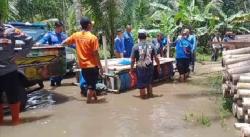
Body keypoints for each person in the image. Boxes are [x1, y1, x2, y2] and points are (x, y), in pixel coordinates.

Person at [62, 16, 103, 103]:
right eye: (91, 24)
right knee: (91, 87)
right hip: (92, 66)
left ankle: (95, 99)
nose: (92, 26)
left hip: (83, 67)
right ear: (88, 25)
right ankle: (89, 104)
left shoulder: (76, 35)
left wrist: (57, 47)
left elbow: (65, 42)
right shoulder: (93, 38)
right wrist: (100, 67)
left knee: (91, 85)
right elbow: (96, 54)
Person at [0, 22, 32, 125]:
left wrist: (19, 55)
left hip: (9, 71)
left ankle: (16, 123)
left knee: (13, 98)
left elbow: (29, 40)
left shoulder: (10, 30)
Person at [130, 29, 160, 99]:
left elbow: (132, 60)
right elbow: (156, 58)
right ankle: (150, 96)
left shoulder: (135, 46)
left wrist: (131, 69)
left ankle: (143, 99)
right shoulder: (151, 45)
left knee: (142, 85)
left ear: (138, 37)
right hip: (150, 67)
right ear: (146, 36)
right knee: (149, 83)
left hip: (140, 68)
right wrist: (158, 66)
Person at [36, 21, 68, 86]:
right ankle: (52, 81)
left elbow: (70, 42)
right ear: (56, 27)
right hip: (52, 55)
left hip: (61, 55)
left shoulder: (63, 35)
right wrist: (38, 44)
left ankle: (59, 82)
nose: (61, 29)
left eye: (61, 28)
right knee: (52, 70)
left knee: (61, 70)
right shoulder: (50, 34)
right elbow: (43, 40)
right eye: (59, 28)